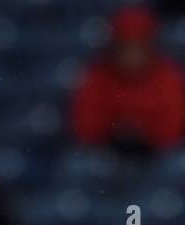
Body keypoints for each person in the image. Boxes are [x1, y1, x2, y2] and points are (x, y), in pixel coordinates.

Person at [71, 6, 185, 155]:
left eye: (138, 48)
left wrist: (145, 133)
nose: (132, 56)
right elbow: (85, 126)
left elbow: (174, 126)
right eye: (126, 48)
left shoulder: (169, 77)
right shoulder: (97, 77)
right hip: (108, 155)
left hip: (157, 155)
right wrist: (115, 132)